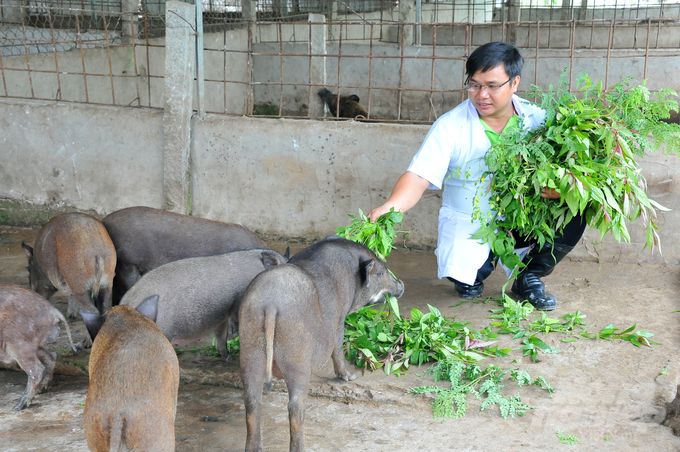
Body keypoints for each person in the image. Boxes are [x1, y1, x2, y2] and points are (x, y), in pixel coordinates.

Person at [368, 41, 586, 311]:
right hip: (473, 223)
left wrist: (564, 189)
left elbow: (571, 168)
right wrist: (391, 206)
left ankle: (529, 277)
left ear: (514, 83)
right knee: (466, 274)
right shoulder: (451, 126)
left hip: (522, 221)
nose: (482, 94)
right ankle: (472, 274)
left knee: (579, 204)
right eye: (474, 85)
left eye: (492, 86)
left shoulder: (539, 119)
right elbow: (419, 175)